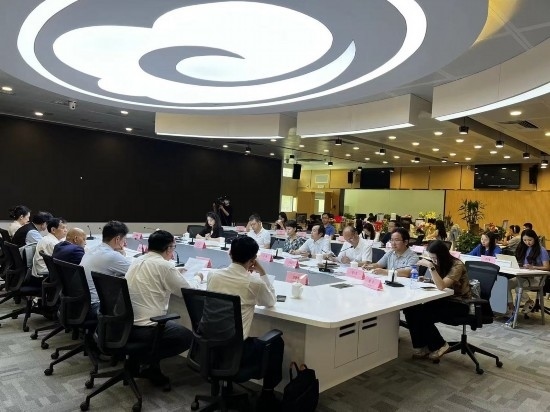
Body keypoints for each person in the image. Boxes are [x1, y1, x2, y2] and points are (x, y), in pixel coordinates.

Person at [206, 236, 283, 406]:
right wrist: (262, 272)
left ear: (230, 253)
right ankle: (267, 395)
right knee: (276, 342)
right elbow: (271, 301)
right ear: (253, 259)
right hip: (236, 352)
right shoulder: (253, 282)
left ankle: (224, 384)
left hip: (209, 347)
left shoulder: (213, 275)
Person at [126, 230, 202, 386]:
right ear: (168, 249)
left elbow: (157, 274)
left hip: (125, 323)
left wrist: (175, 272)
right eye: (173, 247)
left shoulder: (138, 260)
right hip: (146, 327)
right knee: (187, 337)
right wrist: (198, 277)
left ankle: (141, 360)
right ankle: (146, 361)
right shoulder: (165, 266)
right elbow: (188, 292)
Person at [403, 240, 471, 360]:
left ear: (442, 255)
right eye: (431, 258)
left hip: (460, 303)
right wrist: (428, 280)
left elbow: (441, 285)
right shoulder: (440, 263)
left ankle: (440, 345)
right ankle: (422, 346)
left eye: (435, 258)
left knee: (423, 313)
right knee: (411, 309)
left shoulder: (457, 265)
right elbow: (442, 282)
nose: (433, 261)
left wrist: (431, 267)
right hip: (444, 299)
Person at [80, 221, 131, 317]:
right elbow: (135, 271)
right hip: (97, 305)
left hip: (83, 302)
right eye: (124, 239)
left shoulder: (92, 250)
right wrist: (122, 255)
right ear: (117, 239)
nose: (125, 243)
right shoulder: (111, 256)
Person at [508, 229, 550, 314]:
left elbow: (547, 267)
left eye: (530, 240)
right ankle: (512, 308)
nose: (527, 242)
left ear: (535, 238)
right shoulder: (524, 248)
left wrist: (533, 267)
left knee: (518, 287)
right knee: (506, 284)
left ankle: (529, 301)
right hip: (524, 275)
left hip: (537, 278)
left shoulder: (541, 250)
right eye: (525, 240)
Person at [31, 218, 68, 286]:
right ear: (53, 230)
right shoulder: (51, 243)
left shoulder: (49, 238)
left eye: (66, 228)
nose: (66, 230)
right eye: (63, 228)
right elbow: (63, 260)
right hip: (44, 276)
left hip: (44, 273)